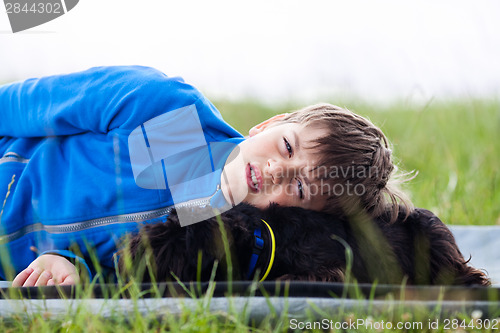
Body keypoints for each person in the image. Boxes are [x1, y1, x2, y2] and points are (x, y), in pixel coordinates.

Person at [0, 66, 409, 287]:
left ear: (303, 216)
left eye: (299, 187)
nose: (275, 170)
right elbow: (25, 104)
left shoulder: (211, 248)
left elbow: (120, 268)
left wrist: (74, 267)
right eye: (287, 147)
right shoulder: (171, 116)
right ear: (270, 123)